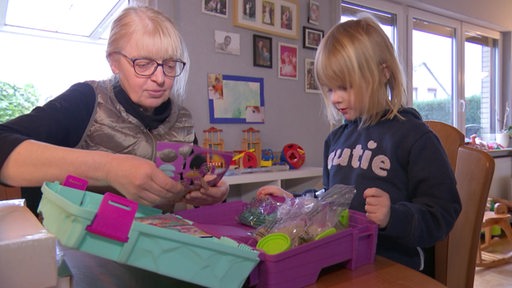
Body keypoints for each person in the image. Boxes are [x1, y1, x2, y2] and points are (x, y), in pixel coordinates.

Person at [257, 15, 461, 277]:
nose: (335, 98)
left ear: (383, 72)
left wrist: (392, 216)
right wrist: (293, 202)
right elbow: (329, 200)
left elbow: (443, 213)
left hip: (395, 266)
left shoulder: (414, 137)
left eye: (345, 87)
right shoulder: (335, 140)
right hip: (342, 260)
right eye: (330, 89)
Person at [0, 6, 229, 215]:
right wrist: (109, 168)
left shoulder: (183, 120)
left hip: (152, 250)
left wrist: (214, 192)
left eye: (169, 65)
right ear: (114, 62)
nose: (160, 78)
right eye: (143, 64)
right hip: (81, 252)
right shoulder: (87, 100)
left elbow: (197, 178)